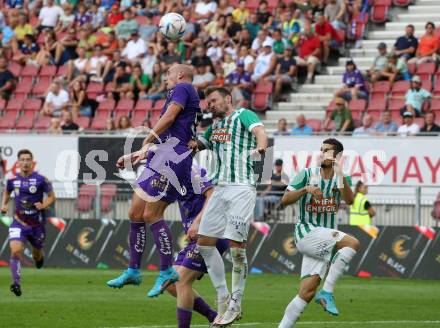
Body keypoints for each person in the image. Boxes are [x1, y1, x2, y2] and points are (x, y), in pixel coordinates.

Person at [107, 64, 201, 298]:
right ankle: (133, 270)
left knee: (152, 214)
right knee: (135, 212)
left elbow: (169, 118)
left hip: (173, 158)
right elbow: (174, 132)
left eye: (168, 73)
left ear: (179, 74)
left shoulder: (183, 87)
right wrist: (136, 154)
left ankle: (167, 269)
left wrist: (147, 138)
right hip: (162, 154)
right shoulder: (185, 93)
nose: (165, 77)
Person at [190, 86, 267, 326]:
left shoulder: (243, 114)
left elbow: (260, 132)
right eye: (208, 102)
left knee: (236, 247)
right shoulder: (215, 128)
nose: (210, 104)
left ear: (228, 99)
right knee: (204, 242)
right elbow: (195, 146)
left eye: (213, 100)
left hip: (241, 187)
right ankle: (223, 296)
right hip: (220, 187)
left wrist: (261, 146)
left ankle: (236, 303)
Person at [278, 138, 358, 328]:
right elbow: (285, 199)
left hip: (322, 238)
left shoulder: (342, 178)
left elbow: (350, 200)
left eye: (327, 151)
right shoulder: (306, 174)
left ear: (337, 156)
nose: (322, 153)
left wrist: (339, 173)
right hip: (307, 232)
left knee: (307, 292)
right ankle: (328, 292)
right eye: (321, 150)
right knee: (352, 243)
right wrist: (305, 189)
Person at [165, 165, 229, 327]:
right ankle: (214, 316)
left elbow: (212, 194)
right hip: (195, 238)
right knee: (171, 284)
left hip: (209, 234)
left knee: (181, 281)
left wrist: (198, 221)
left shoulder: (194, 171)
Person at [1, 149, 56, 297]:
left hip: (37, 225)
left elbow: (52, 196)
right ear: (18, 163)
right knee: (15, 251)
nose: (25, 162)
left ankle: (39, 259)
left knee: (37, 255)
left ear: (32, 162)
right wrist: (4, 204)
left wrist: (43, 205)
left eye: (28, 160)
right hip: (18, 222)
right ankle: (16, 283)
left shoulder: (41, 179)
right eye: (22, 160)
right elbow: (7, 192)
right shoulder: (12, 180)